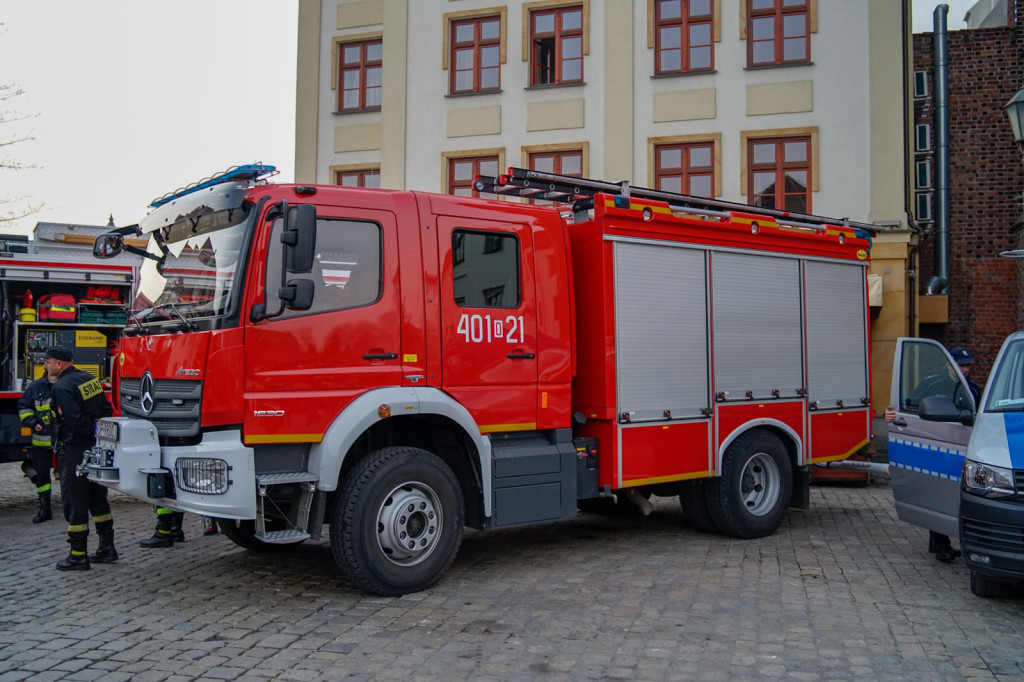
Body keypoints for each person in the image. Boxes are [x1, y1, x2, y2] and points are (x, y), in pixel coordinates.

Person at [884, 345, 981, 564]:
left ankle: (955, 542)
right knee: (939, 491)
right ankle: (940, 544)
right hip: (939, 443)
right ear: (949, 365)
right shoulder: (932, 384)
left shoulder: (973, 389)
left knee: (959, 494)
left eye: (967, 366)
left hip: (964, 446)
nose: (965, 370)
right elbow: (908, 405)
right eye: (960, 365)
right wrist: (891, 414)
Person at [46, 346, 118, 570]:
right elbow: (106, 409)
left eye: (48, 362)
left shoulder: (61, 387)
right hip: (95, 447)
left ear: (59, 364)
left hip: (75, 449)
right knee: (97, 498)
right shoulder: (88, 378)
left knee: (75, 501)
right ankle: (107, 547)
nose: (45, 366)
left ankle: (78, 555)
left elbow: (73, 420)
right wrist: (96, 434)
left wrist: (81, 436)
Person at [17, 372, 57, 523]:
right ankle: (45, 509)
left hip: (63, 441)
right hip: (41, 442)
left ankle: (73, 508)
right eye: (47, 362)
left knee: (69, 476)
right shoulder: (36, 387)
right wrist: (32, 422)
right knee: (42, 477)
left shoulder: (66, 384)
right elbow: (23, 407)